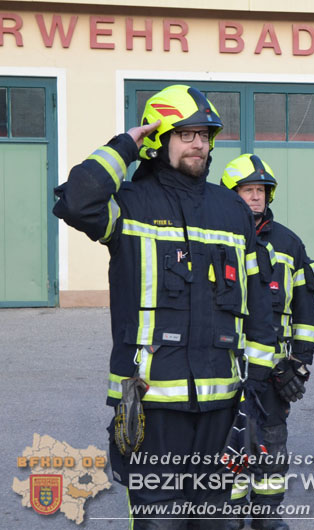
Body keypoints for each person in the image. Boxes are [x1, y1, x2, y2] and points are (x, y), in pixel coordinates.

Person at [53, 85, 278, 529]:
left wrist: (257, 388)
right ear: (161, 140)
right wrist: (125, 147)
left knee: (217, 520)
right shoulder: (130, 205)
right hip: (150, 403)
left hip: (221, 401)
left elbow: (257, 302)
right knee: (160, 521)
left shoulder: (231, 209)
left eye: (205, 134)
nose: (199, 143)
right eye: (186, 134)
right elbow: (76, 201)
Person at [221, 153, 314, 530]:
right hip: (226, 365)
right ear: (232, 194)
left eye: (261, 190)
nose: (256, 196)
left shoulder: (288, 243)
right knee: (228, 443)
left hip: (275, 369)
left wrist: (301, 361)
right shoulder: (219, 237)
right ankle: (228, 513)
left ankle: (268, 513)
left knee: (272, 441)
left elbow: (304, 309)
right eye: (248, 190)